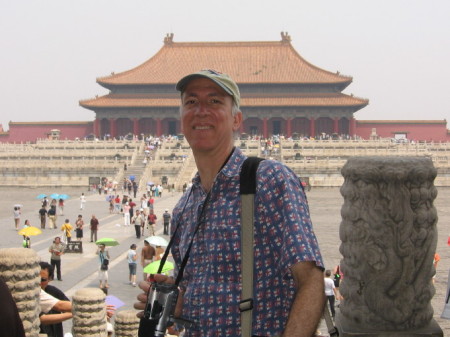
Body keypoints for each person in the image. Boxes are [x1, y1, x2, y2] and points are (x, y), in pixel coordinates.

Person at [136, 70, 324, 336]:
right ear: (181, 120)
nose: (201, 111)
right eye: (191, 102)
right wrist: (178, 304)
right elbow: (199, 295)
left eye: (214, 101)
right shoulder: (184, 208)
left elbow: (311, 280)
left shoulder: (270, 181)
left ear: (236, 119)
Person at [39, 262, 71, 337]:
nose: (39, 283)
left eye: (43, 280)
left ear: (50, 279)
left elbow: (66, 306)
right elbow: (42, 319)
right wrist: (76, 312)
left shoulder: (54, 291)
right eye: (37, 279)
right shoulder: (33, 294)